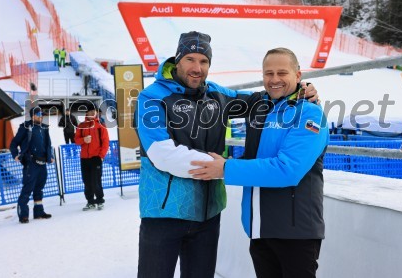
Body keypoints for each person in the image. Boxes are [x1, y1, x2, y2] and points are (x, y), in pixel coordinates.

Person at [135, 32, 318, 278]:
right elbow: (162, 154)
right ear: (177, 60)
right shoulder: (151, 97)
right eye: (190, 59)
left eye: (204, 61)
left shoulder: (216, 95)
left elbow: (264, 99)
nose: (197, 68)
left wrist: (303, 91)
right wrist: (220, 168)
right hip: (164, 212)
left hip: (208, 213)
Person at [190, 47, 329, 278]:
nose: (274, 80)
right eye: (268, 73)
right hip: (260, 229)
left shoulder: (310, 114)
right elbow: (221, 94)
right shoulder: (260, 107)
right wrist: (185, 75)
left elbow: (287, 170)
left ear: (298, 75)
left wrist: (225, 168)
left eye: (282, 73)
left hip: (295, 233)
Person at [10, 107, 55, 224]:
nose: (41, 116)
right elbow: (14, 143)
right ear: (33, 115)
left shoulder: (44, 128)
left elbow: (48, 144)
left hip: (42, 164)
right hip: (31, 164)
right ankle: (23, 215)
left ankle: (39, 212)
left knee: (39, 188)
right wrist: (15, 154)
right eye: (39, 114)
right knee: (27, 189)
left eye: (42, 114)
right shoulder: (25, 127)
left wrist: (50, 156)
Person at [74, 105, 109, 211]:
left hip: (96, 158)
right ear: (87, 113)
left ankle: (100, 200)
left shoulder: (100, 126)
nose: (94, 113)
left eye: (95, 111)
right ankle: (90, 201)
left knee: (96, 180)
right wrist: (84, 139)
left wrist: (101, 156)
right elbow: (76, 140)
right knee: (87, 181)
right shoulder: (81, 126)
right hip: (84, 158)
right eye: (92, 111)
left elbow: (105, 143)